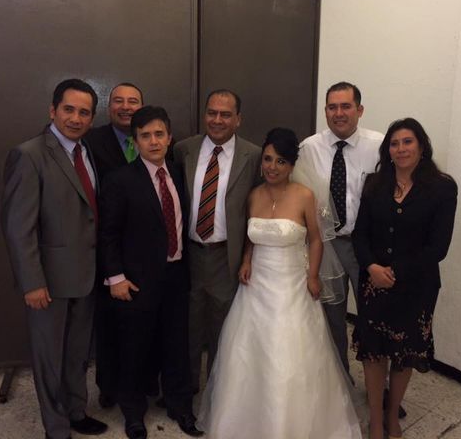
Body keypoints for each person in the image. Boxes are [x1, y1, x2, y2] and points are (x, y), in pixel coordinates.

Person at [197, 128, 362, 439]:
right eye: (268, 159)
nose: (272, 167)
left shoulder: (304, 195)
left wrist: (313, 275)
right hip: (256, 285)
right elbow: (251, 237)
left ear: (292, 165)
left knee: (289, 353)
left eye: (281, 162)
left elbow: (315, 240)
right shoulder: (253, 195)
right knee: (248, 351)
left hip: (292, 285)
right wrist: (246, 260)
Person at [1, 79, 107, 439]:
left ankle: (76, 411)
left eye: (84, 112)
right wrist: (32, 282)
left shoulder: (86, 151)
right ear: (52, 110)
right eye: (68, 109)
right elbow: (18, 228)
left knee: (77, 353)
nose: (75, 118)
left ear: (91, 118)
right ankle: (57, 427)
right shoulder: (29, 155)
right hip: (48, 282)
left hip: (86, 276)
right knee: (49, 359)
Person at [98, 106, 202, 439]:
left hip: (175, 275)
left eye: (159, 134)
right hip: (137, 280)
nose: (153, 141)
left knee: (177, 346)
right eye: (145, 136)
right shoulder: (120, 180)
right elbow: (108, 234)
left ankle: (180, 406)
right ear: (136, 141)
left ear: (170, 138)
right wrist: (115, 277)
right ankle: (133, 414)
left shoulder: (178, 172)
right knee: (134, 348)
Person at [352, 118, 458, 439]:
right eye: (395, 143)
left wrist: (395, 271)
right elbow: (360, 235)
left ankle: (392, 414)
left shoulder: (442, 187)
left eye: (407, 141)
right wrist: (371, 266)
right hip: (373, 284)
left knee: (402, 354)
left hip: (416, 286)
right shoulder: (374, 183)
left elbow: (438, 247)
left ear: (421, 145)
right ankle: (374, 417)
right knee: (373, 354)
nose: (401, 149)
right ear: (388, 150)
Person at [173, 89, 260, 393]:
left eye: (225, 114)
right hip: (189, 255)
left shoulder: (254, 155)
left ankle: (218, 391)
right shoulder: (183, 149)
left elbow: (259, 209)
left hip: (228, 256)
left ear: (238, 119)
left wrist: (249, 258)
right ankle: (185, 389)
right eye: (212, 113)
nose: (217, 120)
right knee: (188, 327)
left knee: (224, 329)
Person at [299, 81, 383, 375]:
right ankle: (340, 382)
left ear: (359, 110)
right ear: (325, 111)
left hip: (366, 247)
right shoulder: (309, 148)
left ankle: (380, 385)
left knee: (373, 317)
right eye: (332, 107)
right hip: (326, 245)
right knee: (331, 318)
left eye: (346, 106)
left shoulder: (379, 146)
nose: (339, 113)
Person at [85, 82, 161, 407]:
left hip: (148, 252)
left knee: (148, 325)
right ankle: (109, 386)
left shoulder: (156, 143)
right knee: (109, 324)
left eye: (133, 101)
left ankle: (145, 382)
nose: (126, 107)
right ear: (108, 107)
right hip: (108, 248)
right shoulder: (91, 142)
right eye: (119, 101)